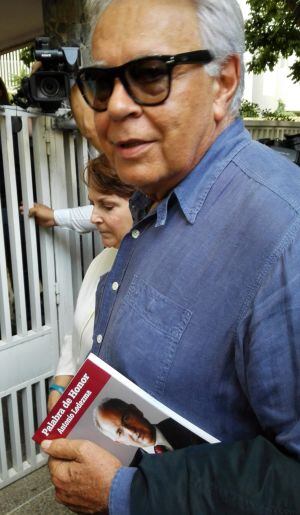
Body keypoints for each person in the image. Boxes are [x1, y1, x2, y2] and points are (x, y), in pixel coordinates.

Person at [42, 0, 300, 513]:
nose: (114, 106)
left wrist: (130, 493)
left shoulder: (283, 235)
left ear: (224, 82)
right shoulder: (152, 196)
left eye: (150, 74)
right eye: (101, 81)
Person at [47, 154, 134, 411]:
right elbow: (78, 331)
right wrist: (60, 385)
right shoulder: (102, 261)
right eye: (93, 205)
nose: (94, 217)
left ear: (144, 204)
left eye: (107, 206)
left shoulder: (156, 276)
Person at [94, 398, 204, 456]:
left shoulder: (185, 421)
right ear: (119, 442)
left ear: (136, 410)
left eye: (126, 418)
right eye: (119, 432)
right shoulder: (139, 476)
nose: (131, 431)